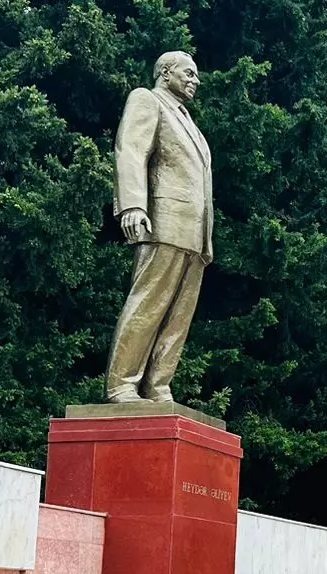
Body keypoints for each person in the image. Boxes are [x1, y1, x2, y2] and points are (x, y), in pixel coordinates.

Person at [108, 50, 214, 403]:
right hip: (163, 223)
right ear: (165, 73)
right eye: (188, 73)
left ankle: (158, 384)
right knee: (148, 304)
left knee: (177, 316)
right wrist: (133, 206)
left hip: (195, 235)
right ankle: (122, 384)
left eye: (196, 75)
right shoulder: (147, 100)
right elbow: (132, 151)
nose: (194, 80)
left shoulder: (192, 127)